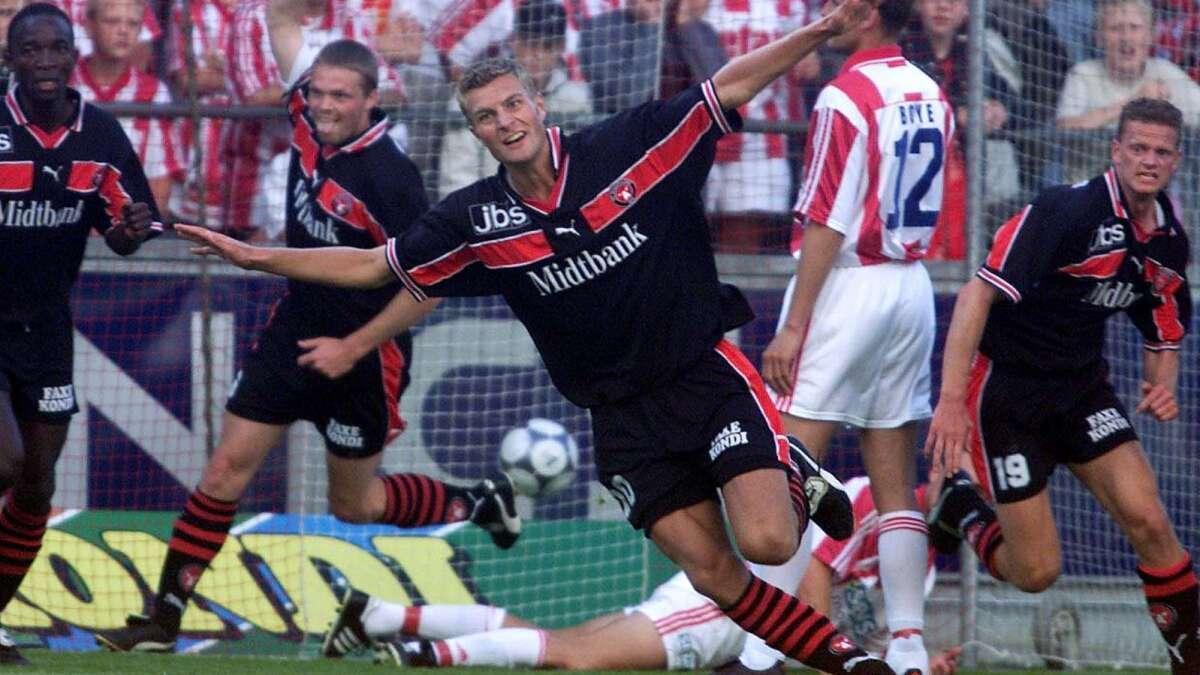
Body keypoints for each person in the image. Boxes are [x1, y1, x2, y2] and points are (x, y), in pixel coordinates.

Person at [169, 0, 899, 670]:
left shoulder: (627, 145)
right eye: (485, 115)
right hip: (620, 418)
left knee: (771, 540)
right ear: (475, 130)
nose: (505, 121)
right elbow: (371, 266)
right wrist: (255, 254)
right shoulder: (475, 223)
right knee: (715, 575)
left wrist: (813, 33)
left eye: (513, 103)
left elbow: (727, 89)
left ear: (538, 102)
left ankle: (794, 468)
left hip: (702, 378)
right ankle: (855, 663)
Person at [93, 39, 523, 654]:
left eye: (340, 96)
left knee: (356, 506)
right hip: (291, 331)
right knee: (223, 471)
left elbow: (429, 289)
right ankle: (162, 622)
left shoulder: (390, 180)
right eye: (316, 91)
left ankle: (475, 502)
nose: (322, 104)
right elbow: (283, 24)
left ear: (374, 100)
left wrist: (352, 347)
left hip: (365, 358)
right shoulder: (304, 117)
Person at [925, 97, 1196, 674]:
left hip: (1082, 391)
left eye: (1161, 152)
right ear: (1115, 150)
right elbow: (977, 293)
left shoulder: (1170, 239)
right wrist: (950, 401)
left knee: (1149, 521)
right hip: (1007, 394)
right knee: (1036, 572)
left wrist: (1162, 385)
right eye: (1138, 148)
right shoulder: (1065, 211)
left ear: (1176, 161)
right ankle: (963, 507)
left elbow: (1163, 327)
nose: (1149, 160)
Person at [757, 0, 953, 672]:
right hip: (912, 286)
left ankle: (758, 648)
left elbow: (826, 220)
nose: (827, 11)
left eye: (840, 2)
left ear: (868, 13)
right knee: (894, 477)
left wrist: (793, 324)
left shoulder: (845, 96)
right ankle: (909, 646)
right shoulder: (932, 90)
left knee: (784, 466)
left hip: (851, 284)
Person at [318, 474, 969, 674]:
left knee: (564, 641)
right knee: (576, 658)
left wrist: (898, 656)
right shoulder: (874, 502)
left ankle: (383, 616)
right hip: (725, 613)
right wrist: (842, 660)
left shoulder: (922, 560)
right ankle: (430, 655)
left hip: (737, 617)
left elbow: (852, 616)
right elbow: (817, 575)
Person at [0, 2, 161, 664]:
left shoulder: (101, 135)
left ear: (74, 57)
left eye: (55, 49)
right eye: (29, 49)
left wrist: (128, 233)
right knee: (5, 460)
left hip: (46, 329)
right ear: (9, 60)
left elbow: (131, 226)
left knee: (37, 484)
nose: (43, 60)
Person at [437, 0, 592, 198]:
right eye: (530, 44)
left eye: (547, 46)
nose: (537, 55)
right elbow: (456, 178)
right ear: (514, 41)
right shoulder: (475, 98)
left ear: (561, 47)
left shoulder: (576, 100)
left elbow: (580, 169)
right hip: (491, 212)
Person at [1055, 0, 1200, 182]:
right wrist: (1135, 101)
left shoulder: (1166, 72)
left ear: (1150, 35)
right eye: (1116, 28)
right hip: (1091, 195)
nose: (1126, 37)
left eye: (1135, 28)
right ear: (1099, 37)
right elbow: (1065, 127)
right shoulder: (1083, 74)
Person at [74, 0, 183, 214]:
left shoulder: (154, 93)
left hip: (127, 230)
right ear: (88, 25)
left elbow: (160, 182)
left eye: (133, 24)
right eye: (112, 21)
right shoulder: (67, 85)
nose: (123, 31)